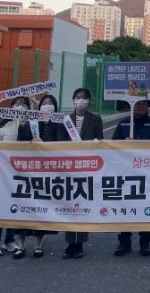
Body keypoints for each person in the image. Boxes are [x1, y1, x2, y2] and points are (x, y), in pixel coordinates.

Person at [112, 99, 150, 256]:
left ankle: (145, 242)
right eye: (137, 103)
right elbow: (111, 146)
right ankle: (124, 242)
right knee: (125, 208)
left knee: (146, 208)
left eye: (143, 103)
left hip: (148, 174)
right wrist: (123, 143)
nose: (140, 106)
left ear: (148, 106)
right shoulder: (123, 124)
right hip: (126, 174)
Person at [57, 88, 104, 259]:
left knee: (83, 205)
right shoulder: (65, 120)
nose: (81, 100)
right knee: (70, 205)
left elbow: (100, 140)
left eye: (84, 97)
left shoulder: (96, 119)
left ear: (89, 101)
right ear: (73, 100)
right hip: (69, 167)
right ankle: (70, 243)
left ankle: (80, 244)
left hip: (87, 167)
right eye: (78, 97)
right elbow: (60, 142)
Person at [11, 95, 60, 259]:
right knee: (23, 206)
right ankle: (20, 245)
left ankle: (38, 245)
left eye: (50, 103)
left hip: (47, 173)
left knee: (42, 208)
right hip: (27, 171)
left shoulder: (59, 124)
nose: (47, 106)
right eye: (44, 104)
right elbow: (20, 142)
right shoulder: (32, 122)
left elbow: (64, 145)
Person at [0, 96, 34, 257]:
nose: (21, 107)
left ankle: (9, 240)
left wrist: (26, 126)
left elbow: (37, 144)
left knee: (16, 206)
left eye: (24, 105)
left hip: (22, 174)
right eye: (18, 104)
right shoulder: (2, 125)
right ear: (11, 107)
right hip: (3, 174)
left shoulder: (32, 125)